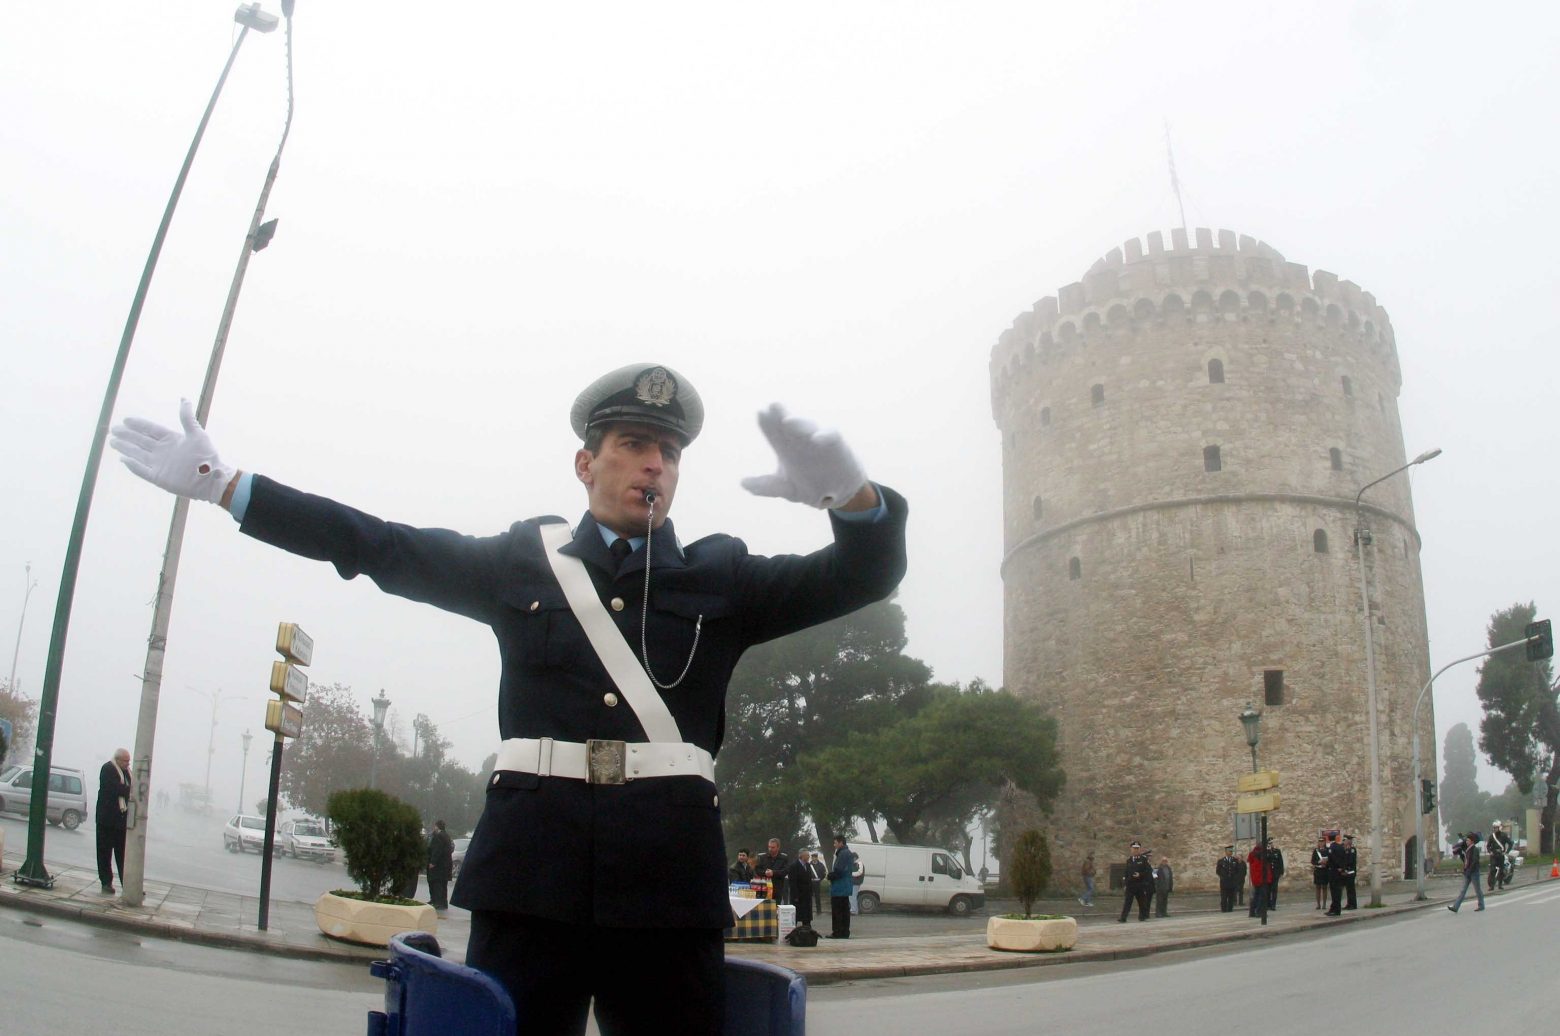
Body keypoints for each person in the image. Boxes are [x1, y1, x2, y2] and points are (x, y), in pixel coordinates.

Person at [109, 364, 908, 1036]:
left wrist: (854, 500)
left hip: (666, 889)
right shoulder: (522, 562)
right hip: (532, 881)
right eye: (632, 444)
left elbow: (860, 577)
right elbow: (378, 545)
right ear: (585, 464)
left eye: (667, 450)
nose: (653, 464)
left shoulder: (723, 576)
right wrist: (230, 489)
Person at [95, 748, 132, 895]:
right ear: (117, 759)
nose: (127, 763)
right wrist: (129, 790)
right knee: (104, 852)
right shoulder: (108, 769)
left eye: (129, 761)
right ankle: (106, 882)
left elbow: (127, 789)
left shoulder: (127, 773)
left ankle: (127, 884)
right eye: (125, 760)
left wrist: (128, 789)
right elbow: (116, 789)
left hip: (121, 820)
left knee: (122, 854)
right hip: (107, 819)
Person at [827, 834, 857, 938]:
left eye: (835, 843)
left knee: (837, 911)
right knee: (845, 911)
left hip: (839, 887)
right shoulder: (847, 853)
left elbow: (838, 871)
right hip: (845, 887)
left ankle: (837, 932)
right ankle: (844, 932)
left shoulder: (843, 853)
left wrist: (830, 876)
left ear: (841, 843)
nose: (834, 845)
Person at [1448, 831, 1485, 913]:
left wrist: (1469, 870)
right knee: (1463, 890)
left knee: (1477, 890)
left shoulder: (1474, 849)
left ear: (1472, 841)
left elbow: (1474, 861)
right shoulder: (1467, 849)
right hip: (1467, 872)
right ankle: (1455, 907)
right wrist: (1466, 870)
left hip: (1474, 873)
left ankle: (1481, 905)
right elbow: (1465, 859)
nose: (1466, 841)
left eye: (1468, 840)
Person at [1118, 841, 1153, 922]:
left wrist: (1140, 874)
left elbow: (1148, 871)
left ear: (1140, 849)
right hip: (1130, 885)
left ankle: (1142, 916)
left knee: (1142, 902)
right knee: (1127, 902)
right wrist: (1125, 884)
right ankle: (1123, 918)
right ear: (1131, 849)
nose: (1135, 850)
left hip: (1139, 884)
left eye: (1137, 849)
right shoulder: (1129, 860)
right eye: (1134, 848)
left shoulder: (1143, 860)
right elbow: (1126, 873)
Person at [755, 837, 791, 904]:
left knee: (775, 909)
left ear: (778, 847)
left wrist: (773, 873)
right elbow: (757, 870)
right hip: (764, 888)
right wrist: (765, 873)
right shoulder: (763, 857)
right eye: (769, 847)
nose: (770, 849)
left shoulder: (784, 858)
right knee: (765, 909)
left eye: (773, 847)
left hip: (777, 888)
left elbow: (785, 871)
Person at [785, 850, 815, 927]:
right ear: (801, 856)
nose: (808, 857)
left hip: (807, 895)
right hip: (798, 895)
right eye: (807, 855)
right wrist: (795, 895)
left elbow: (809, 879)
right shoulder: (794, 866)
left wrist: (811, 891)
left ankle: (807, 929)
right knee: (796, 915)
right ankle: (793, 931)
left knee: (806, 915)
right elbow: (792, 882)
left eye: (808, 855)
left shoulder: (808, 865)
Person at [1324, 832, 1347, 915]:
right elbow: (1344, 858)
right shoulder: (1340, 847)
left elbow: (1332, 859)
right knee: (1337, 891)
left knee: (1335, 891)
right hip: (1339, 871)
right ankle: (1333, 908)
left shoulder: (1331, 847)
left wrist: (1338, 867)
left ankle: (1336, 909)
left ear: (1329, 838)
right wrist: (1342, 868)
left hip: (1334, 871)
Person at [1487, 822, 1513, 891]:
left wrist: (1507, 852)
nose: (1495, 829)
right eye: (1494, 828)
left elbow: (1510, 843)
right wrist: (1490, 852)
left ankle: (1500, 885)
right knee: (1492, 870)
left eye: (1496, 827)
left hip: (1501, 855)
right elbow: (1488, 846)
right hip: (1493, 855)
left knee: (1501, 870)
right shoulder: (1491, 836)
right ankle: (1491, 886)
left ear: (1499, 828)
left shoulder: (1504, 835)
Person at [1216, 846, 1241, 912]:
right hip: (1224, 882)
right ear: (1226, 852)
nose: (1231, 852)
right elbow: (1218, 871)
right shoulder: (1221, 861)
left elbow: (1238, 870)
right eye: (1229, 851)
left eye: (1231, 851)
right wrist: (1222, 877)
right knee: (1224, 897)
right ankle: (1224, 909)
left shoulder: (1235, 860)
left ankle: (1230, 909)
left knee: (1231, 896)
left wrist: (1235, 878)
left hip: (1232, 882)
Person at [1246, 841, 1267, 918]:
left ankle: (1252, 912)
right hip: (1260, 879)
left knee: (1256, 895)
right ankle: (1259, 911)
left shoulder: (1252, 854)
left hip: (1255, 879)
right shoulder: (1261, 855)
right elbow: (1262, 869)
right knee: (1261, 896)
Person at [1311, 835, 1329, 910]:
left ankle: (1324, 904)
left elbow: (1330, 859)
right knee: (1318, 887)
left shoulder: (1327, 850)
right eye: (1320, 842)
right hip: (1318, 870)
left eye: (1322, 842)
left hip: (1325, 871)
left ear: (1324, 842)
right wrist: (1318, 862)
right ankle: (1318, 904)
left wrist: (1326, 863)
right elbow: (1312, 861)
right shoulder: (1316, 851)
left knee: (1324, 887)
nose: (1321, 843)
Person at [808, 849, 827, 914]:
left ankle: (819, 910)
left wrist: (820, 879)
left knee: (817, 897)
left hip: (817, 882)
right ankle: (809, 910)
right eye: (812, 857)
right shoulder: (809, 865)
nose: (814, 858)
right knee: (809, 897)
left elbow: (824, 873)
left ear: (816, 857)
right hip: (810, 882)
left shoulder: (821, 865)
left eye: (815, 857)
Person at [1342, 835, 1358, 909]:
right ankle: (1349, 903)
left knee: (1351, 889)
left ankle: (1353, 904)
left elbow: (1350, 861)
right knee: (1348, 889)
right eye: (1348, 840)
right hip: (1347, 872)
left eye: (1349, 840)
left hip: (1351, 871)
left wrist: (1345, 867)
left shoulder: (1352, 850)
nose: (1348, 841)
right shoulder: (1346, 849)